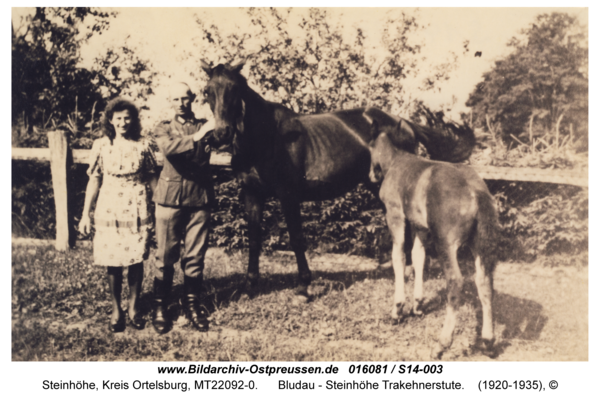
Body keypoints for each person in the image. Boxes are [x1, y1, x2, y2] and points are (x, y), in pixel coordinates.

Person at [79, 98, 157, 332]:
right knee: (112, 260)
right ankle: (116, 309)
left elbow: (153, 178)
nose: (123, 122)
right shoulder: (101, 145)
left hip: (137, 204)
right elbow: (94, 180)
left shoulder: (144, 144)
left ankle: (134, 307)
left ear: (133, 120)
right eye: (118, 118)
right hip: (109, 205)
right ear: (110, 120)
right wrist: (85, 214)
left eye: (127, 118)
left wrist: (160, 207)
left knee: (136, 258)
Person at [151, 82, 216, 334]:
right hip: (169, 199)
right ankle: (160, 306)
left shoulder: (204, 124)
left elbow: (224, 138)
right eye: (175, 99)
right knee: (165, 256)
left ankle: (192, 306)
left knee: (195, 256)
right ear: (170, 101)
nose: (180, 103)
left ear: (192, 99)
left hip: (199, 198)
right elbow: (169, 148)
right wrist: (199, 137)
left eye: (185, 98)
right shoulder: (163, 128)